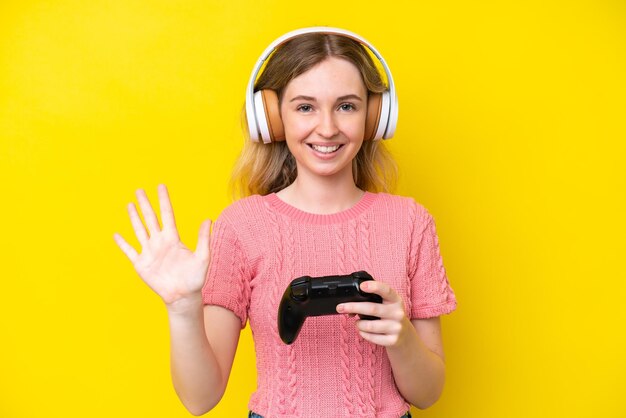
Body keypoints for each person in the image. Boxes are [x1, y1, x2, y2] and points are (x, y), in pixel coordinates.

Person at [114, 27, 456, 418]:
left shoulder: (411, 223)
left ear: (374, 115)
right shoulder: (242, 227)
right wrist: (182, 307)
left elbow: (429, 394)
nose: (327, 128)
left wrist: (403, 340)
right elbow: (199, 398)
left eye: (346, 106)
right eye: (305, 107)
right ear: (273, 119)